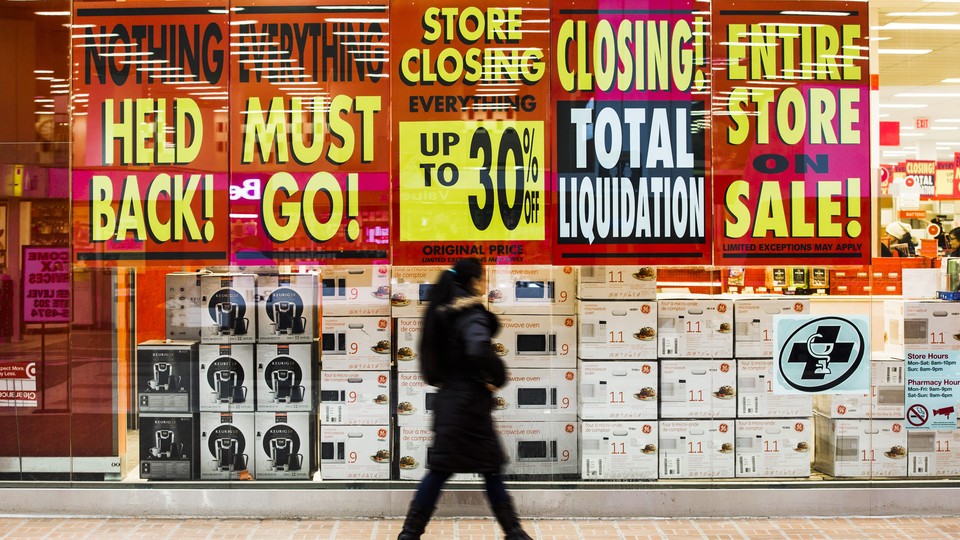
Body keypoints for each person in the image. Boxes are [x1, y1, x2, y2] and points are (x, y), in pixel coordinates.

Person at [398, 258, 532, 540]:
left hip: (449, 401)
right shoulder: (471, 313)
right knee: (491, 469)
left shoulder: (443, 311)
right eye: (484, 278)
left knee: (440, 471)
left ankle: (409, 534)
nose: (486, 284)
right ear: (472, 281)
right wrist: (498, 376)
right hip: (470, 407)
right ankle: (515, 533)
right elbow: (478, 350)